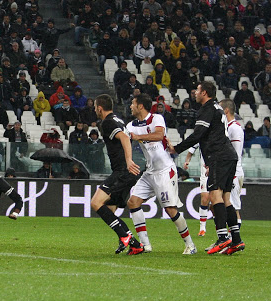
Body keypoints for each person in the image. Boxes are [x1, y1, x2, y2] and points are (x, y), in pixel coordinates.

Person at [170, 82, 243, 255]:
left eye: (198, 90)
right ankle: (236, 240)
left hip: (219, 156)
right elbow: (213, 135)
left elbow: (198, 135)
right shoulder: (217, 108)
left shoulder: (207, 109)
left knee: (214, 195)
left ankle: (223, 237)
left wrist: (177, 149)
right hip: (228, 156)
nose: (195, 92)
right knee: (226, 198)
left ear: (205, 93)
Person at [125, 94, 196, 255]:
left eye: (133, 103)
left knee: (170, 209)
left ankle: (190, 245)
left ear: (140, 106)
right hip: (150, 172)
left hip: (165, 170)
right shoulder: (131, 125)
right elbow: (124, 138)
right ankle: (145, 245)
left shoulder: (156, 118)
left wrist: (138, 137)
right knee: (133, 202)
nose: (131, 106)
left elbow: (159, 135)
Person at [89, 94, 144, 255]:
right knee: (109, 209)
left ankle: (125, 236)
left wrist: (128, 160)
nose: (95, 110)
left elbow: (125, 138)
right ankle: (134, 244)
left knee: (96, 202)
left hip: (123, 172)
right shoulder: (118, 120)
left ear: (100, 108)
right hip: (125, 173)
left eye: (95, 108)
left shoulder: (107, 122)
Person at [220, 99, 245, 246]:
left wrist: (230, 171)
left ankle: (234, 240)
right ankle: (230, 239)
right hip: (231, 170)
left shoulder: (234, 128)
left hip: (234, 170)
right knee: (227, 204)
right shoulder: (229, 127)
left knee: (232, 206)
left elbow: (235, 153)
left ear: (226, 111)